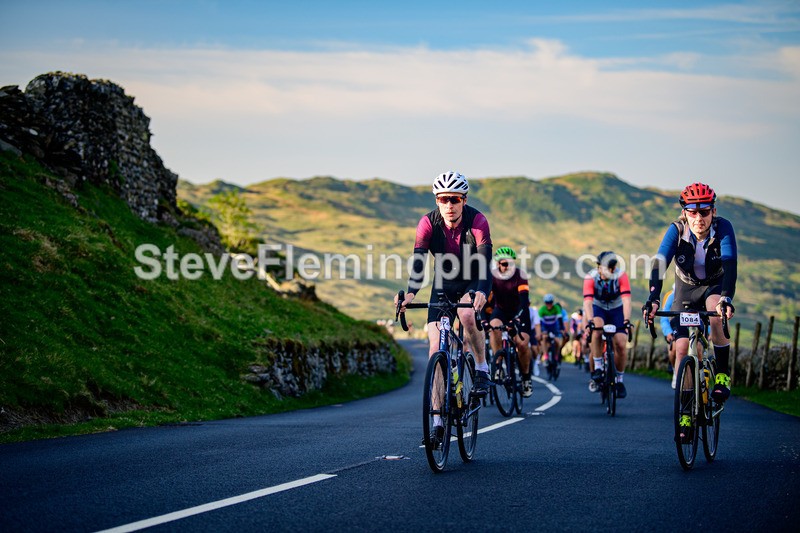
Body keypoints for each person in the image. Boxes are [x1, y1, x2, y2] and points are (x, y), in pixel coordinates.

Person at [395, 171, 493, 442]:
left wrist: (482, 292)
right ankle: (438, 421)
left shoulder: (477, 221)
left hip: (473, 278)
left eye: (455, 199)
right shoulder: (428, 222)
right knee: (435, 346)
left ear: (464, 200)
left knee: (466, 314)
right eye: (443, 199)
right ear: (437, 201)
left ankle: (483, 369)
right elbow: (419, 262)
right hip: (444, 282)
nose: (449, 205)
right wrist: (411, 294)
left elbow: (485, 264)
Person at [643, 182, 737, 410]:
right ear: (685, 212)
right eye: (692, 212)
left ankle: (722, 376)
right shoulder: (677, 229)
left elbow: (730, 263)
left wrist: (726, 298)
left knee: (715, 312)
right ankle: (685, 412)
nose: (698, 218)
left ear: (713, 211)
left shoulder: (723, 227)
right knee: (683, 348)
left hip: (714, 285)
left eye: (704, 212)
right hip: (686, 289)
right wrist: (654, 298)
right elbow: (659, 263)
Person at [583, 251, 632, 398]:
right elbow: (587, 302)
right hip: (599, 308)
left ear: (612, 269)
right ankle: (598, 367)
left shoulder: (621, 276)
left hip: (616, 309)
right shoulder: (590, 277)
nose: (599, 270)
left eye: (602, 268)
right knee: (597, 330)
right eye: (598, 267)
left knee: (621, 344)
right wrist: (590, 320)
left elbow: (626, 301)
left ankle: (619, 380)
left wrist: (626, 321)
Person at [487, 247, 534, 397]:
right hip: (500, 310)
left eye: (510, 264)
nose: (507, 267)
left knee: (522, 344)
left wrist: (518, 318)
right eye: (504, 264)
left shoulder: (520, 275)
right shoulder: (492, 277)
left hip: (519, 311)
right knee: (494, 328)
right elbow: (485, 300)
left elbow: (524, 300)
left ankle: (526, 379)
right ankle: (498, 363)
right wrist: (482, 319)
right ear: (498, 264)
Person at [537, 294, 565, 371]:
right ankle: (545, 356)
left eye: (550, 302)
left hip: (554, 327)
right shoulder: (542, 310)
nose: (549, 304)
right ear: (545, 303)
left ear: (553, 302)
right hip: (545, 326)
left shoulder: (556, 308)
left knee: (557, 341)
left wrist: (562, 329)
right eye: (547, 302)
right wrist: (542, 332)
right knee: (544, 338)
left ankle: (556, 356)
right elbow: (540, 323)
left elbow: (560, 320)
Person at [660, 284, 678, 388]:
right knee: (674, 348)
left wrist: (708, 331)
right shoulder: (671, 296)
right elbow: (664, 317)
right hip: (673, 326)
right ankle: (675, 371)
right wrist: (668, 332)